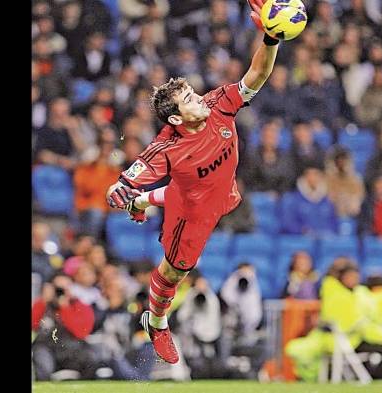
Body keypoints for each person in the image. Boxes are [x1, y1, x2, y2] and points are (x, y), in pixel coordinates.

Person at [104, 0, 280, 364]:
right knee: (175, 270)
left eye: (193, 93)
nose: (198, 98)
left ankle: (146, 203)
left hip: (223, 193)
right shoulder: (166, 148)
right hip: (191, 211)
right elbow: (121, 183)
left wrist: (271, 37)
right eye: (188, 99)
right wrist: (121, 194)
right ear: (176, 119)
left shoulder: (218, 103)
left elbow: (257, 76)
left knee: (192, 191)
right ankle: (156, 319)